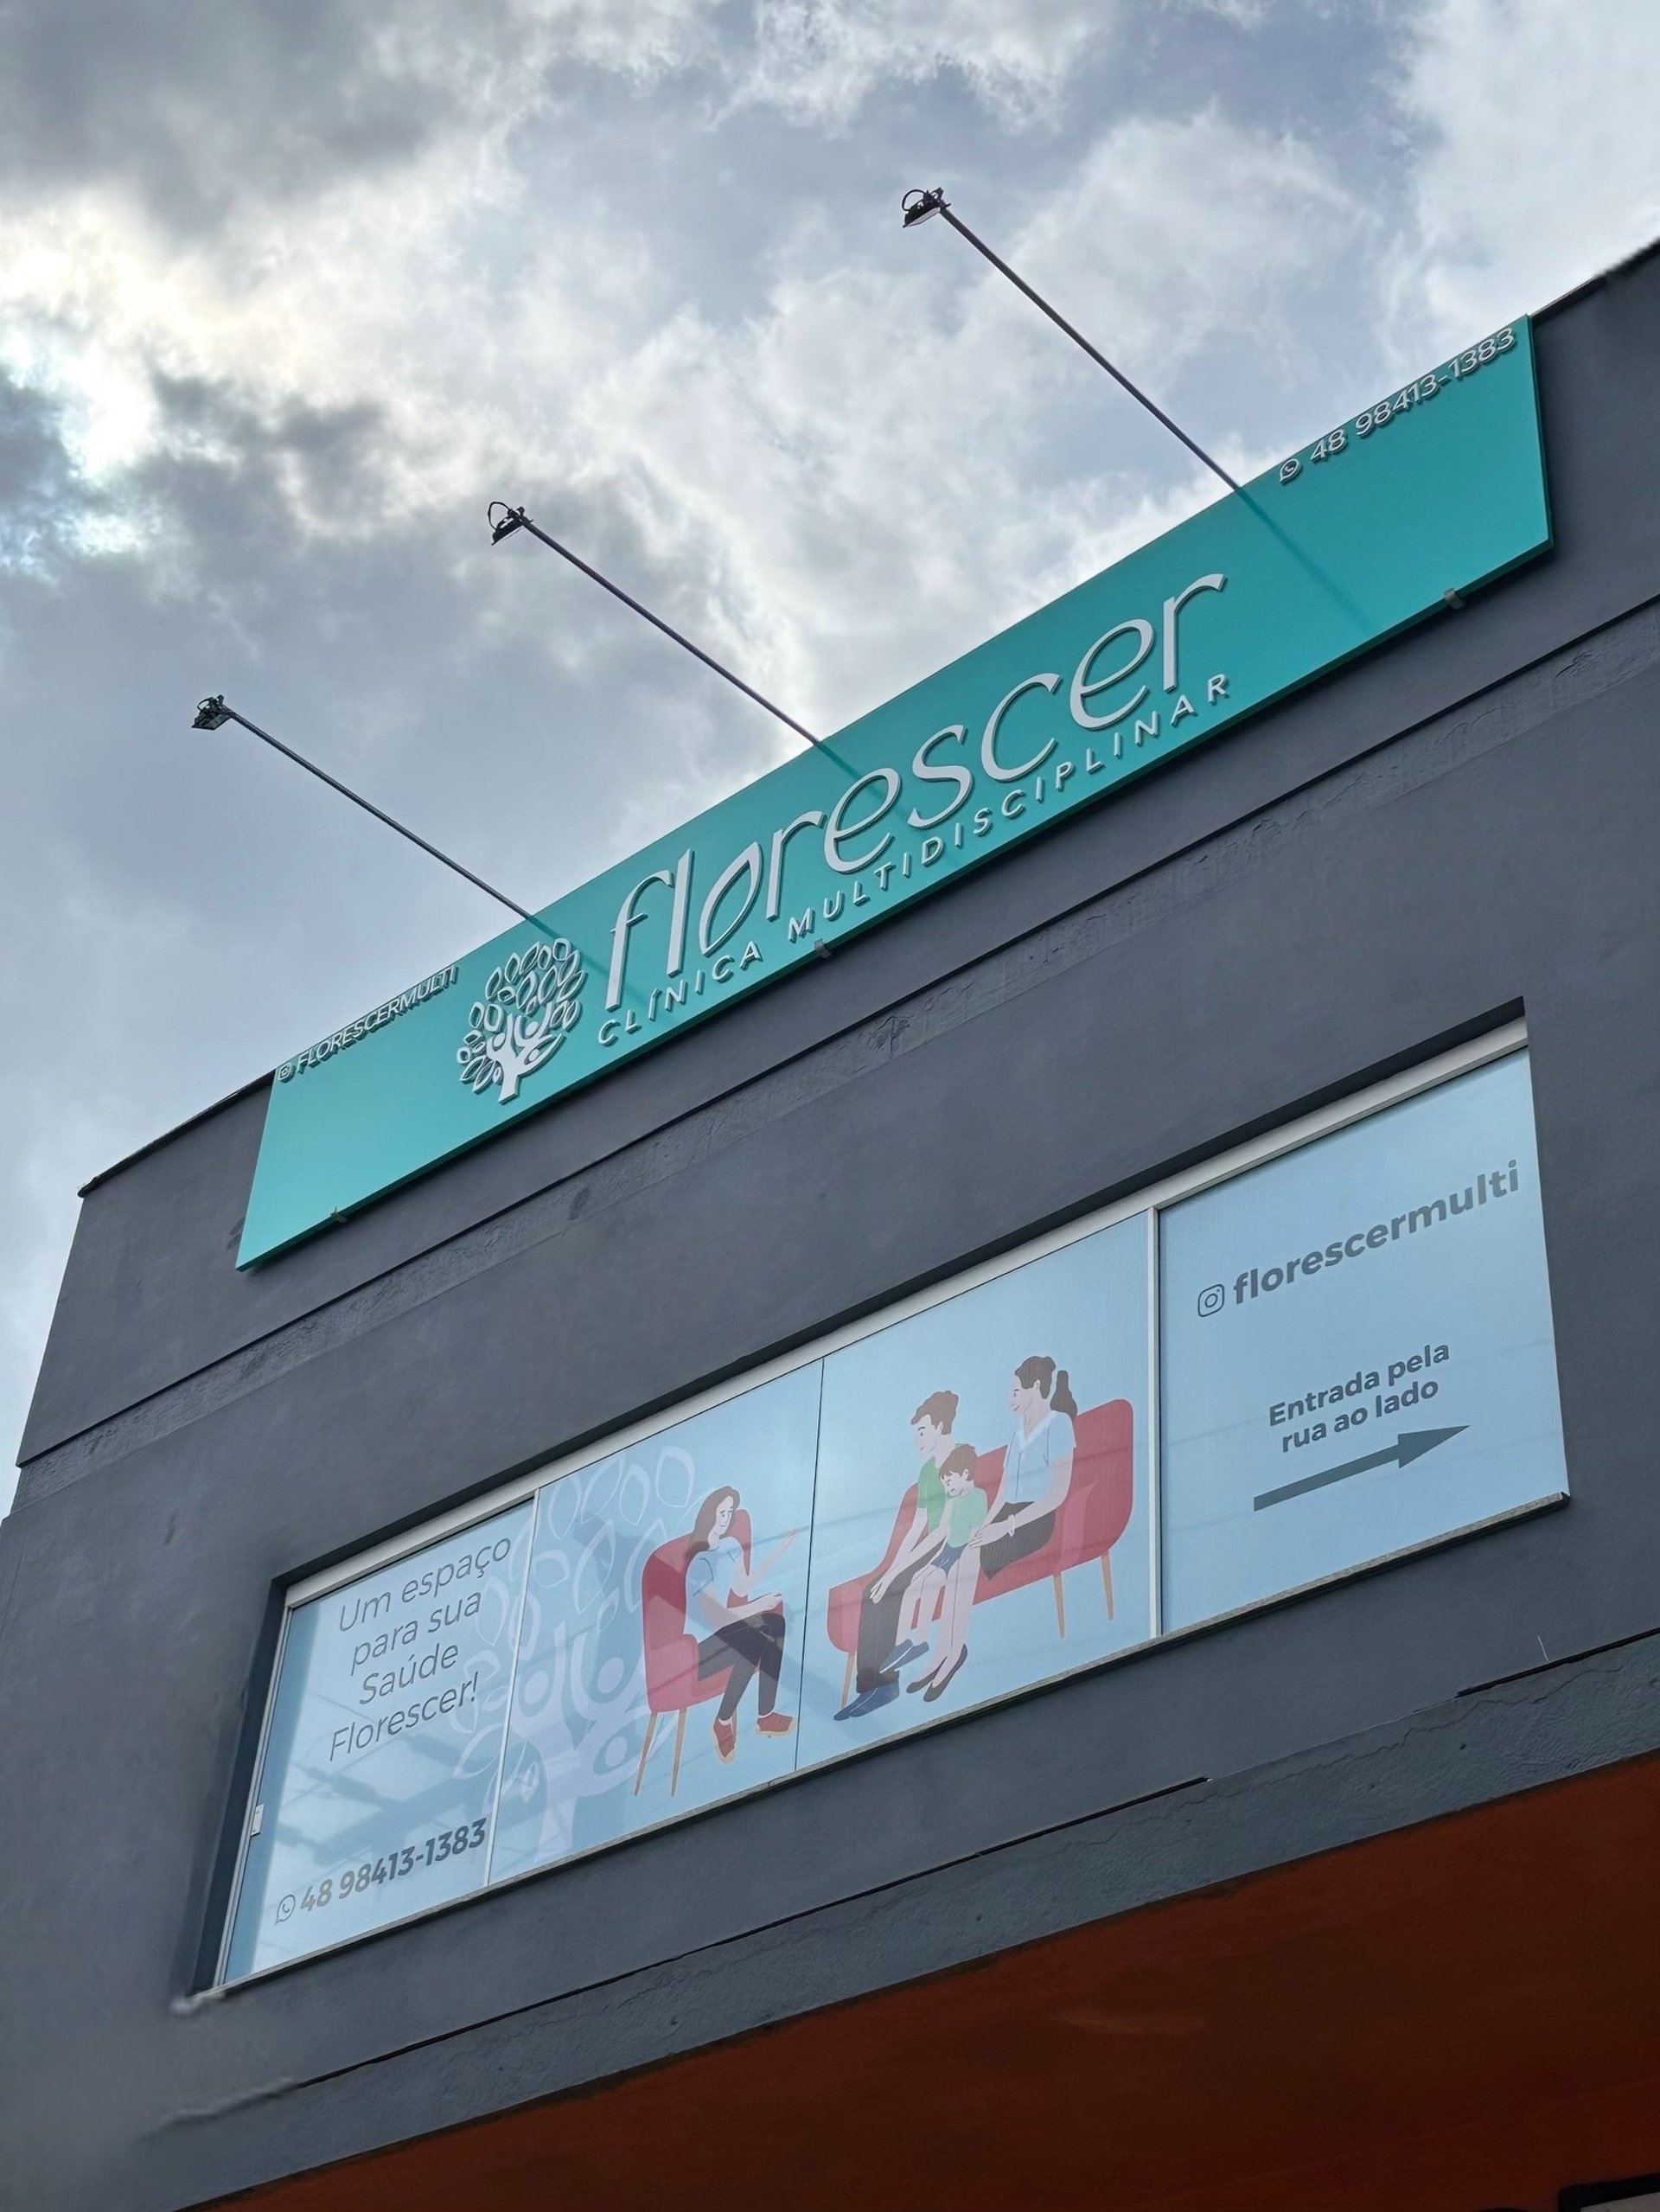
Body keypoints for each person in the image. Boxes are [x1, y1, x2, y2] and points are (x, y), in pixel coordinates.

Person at [835, 1390, 961, 1722]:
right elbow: (918, 1525)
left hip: (952, 1544)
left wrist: (896, 1574)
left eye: (922, 1431)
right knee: (873, 1591)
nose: (917, 1440)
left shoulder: (959, 1460)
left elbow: (944, 1529)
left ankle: (886, 1683)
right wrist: (891, 1569)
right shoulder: (927, 1471)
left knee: (893, 1588)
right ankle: (871, 1687)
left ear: (940, 1427)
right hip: (928, 1544)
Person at [681, 1486, 797, 1763]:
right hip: (697, 1650)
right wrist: (760, 1605)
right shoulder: (699, 1562)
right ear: (709, 1514)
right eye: (721, 1512)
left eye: (729, 1512)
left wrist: (779, 1551)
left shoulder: (730, 1547)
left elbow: (743, 1587)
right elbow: (719, 1617)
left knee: (775, 1623)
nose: (725, 1518)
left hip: (727, 1634)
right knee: (755, 1636)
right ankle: (722, 1720)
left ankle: (766, 1715)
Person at [889, 1444, 986, 1704]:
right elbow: (945, 1534)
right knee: (919, 1584)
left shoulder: (978, 1497)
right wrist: (931, 1564)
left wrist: (961, 1563)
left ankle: (954, 1655)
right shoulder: (953, 1501)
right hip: (949, 1552)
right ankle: (939, 1654)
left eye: (949, 1481)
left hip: (968, 1553)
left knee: (955, 1603)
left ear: (964, 1474)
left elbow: (975, 1537)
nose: (947, 1487)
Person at [972, 1355, 1078, 1584]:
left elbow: (1058, 1494)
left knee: (988, 1555)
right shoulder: (1018, 1431)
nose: (1011, 1400)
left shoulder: (1059, 1423)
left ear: (1036, 1386)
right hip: (1008, 1511)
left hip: (1035, 1517)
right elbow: (1004, 1489)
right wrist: (985, 1525)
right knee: (972, 1548)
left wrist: (1006, 1526)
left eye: (1016, 1392)